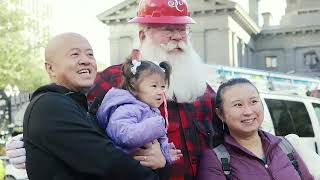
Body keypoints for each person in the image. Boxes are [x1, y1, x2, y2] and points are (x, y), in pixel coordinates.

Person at [6, 0, 220, 179]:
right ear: (143, 35)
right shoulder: (112, 80)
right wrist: (27, 143)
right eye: (167, 29)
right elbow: (76, 126)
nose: (177, 37)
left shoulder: (203, 88)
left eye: (182, 29)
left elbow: (232, 138)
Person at [21, 32, 161, 180]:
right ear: (50, 69)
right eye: (75, 54)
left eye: (90, 54)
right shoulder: (48, 106)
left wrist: (158, 156)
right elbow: (106, 160)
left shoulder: (83, 107)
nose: (85, 60)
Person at [198, 78, 314, 180]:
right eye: (238, 105)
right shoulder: (215, 160)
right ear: (220, 114)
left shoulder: (284, 146)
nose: (248, 111)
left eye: (253, 101)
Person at [97, 59, 182, 164]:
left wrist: (166, 153)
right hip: (124, 167)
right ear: (133, 85)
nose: (160, 92)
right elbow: (123, 135)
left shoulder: (153, 111)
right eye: (154, 86)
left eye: (163, 86)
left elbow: (158, 138)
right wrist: (153, 125)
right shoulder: (127, 108)